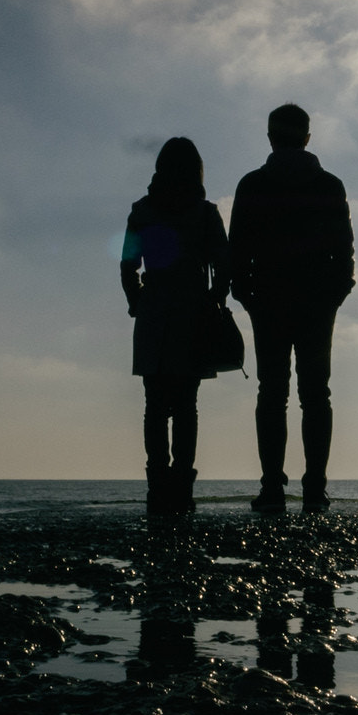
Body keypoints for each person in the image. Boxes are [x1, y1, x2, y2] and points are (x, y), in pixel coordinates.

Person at [229, 104, 354, 514]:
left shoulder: (253, 185)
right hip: (315, 301)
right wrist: (336, 290)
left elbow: (237, 251)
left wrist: (247, 294)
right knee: (316, 394)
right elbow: (344, 248)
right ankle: (314, 489)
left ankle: (272, 489)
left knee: (273, 393)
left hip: (270, 301)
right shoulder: (329, 185)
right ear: (306, 138)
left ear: (270, 137)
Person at [121, 137, 230, 515]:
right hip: (192, 312)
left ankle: (157, 486)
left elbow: (127, 266)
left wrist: (137, 301)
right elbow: (224, 264)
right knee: (186, 405)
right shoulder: (205, 212)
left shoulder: (142, 210)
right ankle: (182, 485)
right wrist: (215, 300)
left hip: (154, 311)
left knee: (155, 405)